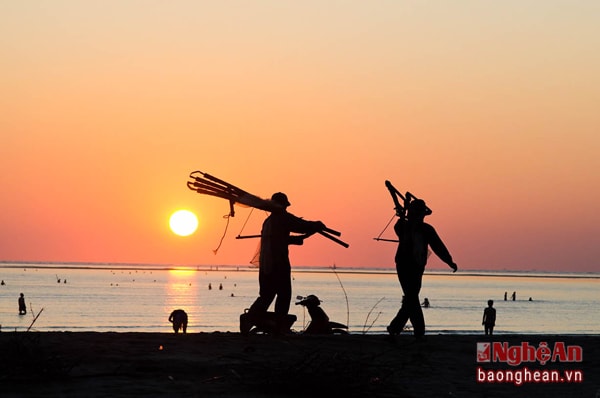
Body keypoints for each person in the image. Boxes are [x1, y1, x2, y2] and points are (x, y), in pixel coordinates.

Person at [242, 192, 325, 334]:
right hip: (278, 264)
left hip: (266, 265)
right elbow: (301, 225)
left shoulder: (269, 221)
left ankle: (253, 317)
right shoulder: (282, 218)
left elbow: (281, 239)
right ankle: (278, 324)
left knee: (266, 295)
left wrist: (302, 237)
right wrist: (315, 225)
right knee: (284, 294)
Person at [387, 199, 457, 339]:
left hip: (417, 266)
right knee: (411, 297)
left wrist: (449, 260)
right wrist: (402, 215)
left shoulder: (426, 229)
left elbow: (438, 246)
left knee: (411, 297)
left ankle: (401, 328)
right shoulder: (403, 226)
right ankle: (411, 329)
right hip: (403, 265)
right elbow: (398, 229)